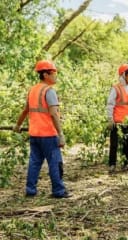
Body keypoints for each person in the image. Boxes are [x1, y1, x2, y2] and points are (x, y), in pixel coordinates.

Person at [14, 60, 70, 198]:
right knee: (55, 162)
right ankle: (58, 191)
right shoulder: (49, 91)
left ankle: (30, 190)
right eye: (53, 73)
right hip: (49, 134)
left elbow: (25, 110)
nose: (55, 76)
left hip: (35, 134)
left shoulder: (32, 90)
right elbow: (53, 114)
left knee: (34, 163)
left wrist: (18, 125)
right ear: (45, 74)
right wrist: (60, 133)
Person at [106, 63, 128, 173]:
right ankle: (112, 165)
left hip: (127, 121)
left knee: (127, 144)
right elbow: (110, 104)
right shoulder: (116, 88)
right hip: (117, 121)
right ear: (123, 75)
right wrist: (110, 119)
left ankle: (125, 164)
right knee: (114, 144)